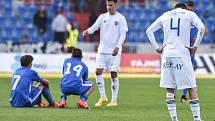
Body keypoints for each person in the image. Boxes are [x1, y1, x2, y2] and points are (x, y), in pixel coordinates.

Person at [146, 3, 205, 121]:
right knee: (192, 88)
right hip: (182, 53)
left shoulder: (166, 15)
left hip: (167, 54)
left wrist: (157, 48)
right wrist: (195, 46)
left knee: (170, 89)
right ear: (185, 8)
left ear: (175, 8)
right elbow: (202, 28)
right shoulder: (190, 14)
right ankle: (197, 119)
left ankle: (174, 119)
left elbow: (149, 31)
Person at [82, 0, 128, 107]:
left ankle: (114, 100)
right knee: (98, 72)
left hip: (114, 51)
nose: (108, 7)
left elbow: (123, 35)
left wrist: (118, 46)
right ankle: (103, 97)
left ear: (115, 5)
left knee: (113, 73)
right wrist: (87, 31)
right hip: (102, 50)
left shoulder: (121, 18)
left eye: (111, 5)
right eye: (107, 5)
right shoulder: (102, 17)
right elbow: (94, 27)